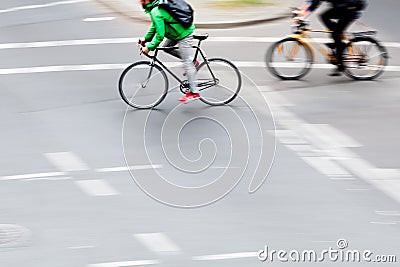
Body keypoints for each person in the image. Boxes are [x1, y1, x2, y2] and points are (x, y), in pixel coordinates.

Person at [139, 0, 200, 102]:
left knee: (187, 63)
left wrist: (149, 47)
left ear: (147, 0)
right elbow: (155, 26)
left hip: (183, 34)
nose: (140, 2)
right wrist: (146, 39)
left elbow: (160, 35)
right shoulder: (155, 9)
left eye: (141, 0)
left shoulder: (156, 11)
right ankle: (193, 61)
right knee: (167, 47)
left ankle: (194, 92)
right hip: (176, 32)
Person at [297, 0, 366, 76]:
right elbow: (313, 2)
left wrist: (303, 14)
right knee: (326, 20)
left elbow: (315, 2)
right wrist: (302, 10)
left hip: (350, 7)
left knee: (336, 32)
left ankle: (340, 63)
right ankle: (338, 42)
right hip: (343, 6)